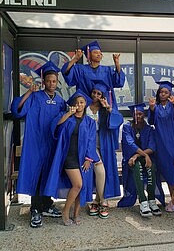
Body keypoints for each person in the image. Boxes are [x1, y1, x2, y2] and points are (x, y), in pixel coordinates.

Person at [11, 61, 66, 228]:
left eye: (54, 81)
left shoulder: (60, 101)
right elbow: (17, 110)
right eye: (48, 81)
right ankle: (35, 208)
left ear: (57, 82)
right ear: (43, 82)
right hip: (35, 143)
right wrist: (29, 92)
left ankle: (47, 204)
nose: (51, 84)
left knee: (48, 173)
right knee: (36, 173)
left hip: (51, 143)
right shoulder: (35, 97)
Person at [44, 90, 99, 226]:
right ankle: (65, 211)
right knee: (78, 184)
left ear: (85, 104)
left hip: (83, 158)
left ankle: (76, 214)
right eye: (77, 103)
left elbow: (92, 141)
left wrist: (88, 158)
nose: (79, 105)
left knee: (82, 186)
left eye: (81, 102)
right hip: (69, 157)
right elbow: (55, 126)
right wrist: (69, 112)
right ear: (73, 105)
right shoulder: (67, 119)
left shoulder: (90, 122)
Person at [118, 103, 164, 217]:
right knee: (136, 166)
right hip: (130, 158)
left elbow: (152, 147)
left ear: (144, 115)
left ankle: (152, 200)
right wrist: (142, 155)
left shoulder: (148, 128)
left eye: (140, 114)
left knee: (151, 167)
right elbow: (130, 144)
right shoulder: (127, 127)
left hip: (140, 157)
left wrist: (139, 155)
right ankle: (143, 202)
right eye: (135, 114)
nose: (138, 116)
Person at [86, 80, 123, 219]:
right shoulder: (86, 107)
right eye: (94, 92)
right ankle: (103, 201)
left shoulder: (104, 109)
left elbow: (118, 120)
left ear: (102, 96)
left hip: (104, 143)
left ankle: (96, 201)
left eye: (99, 94)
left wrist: (108, 108)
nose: (95, 95)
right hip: (89, 144)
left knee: (104, 171)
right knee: (100, 171)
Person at [61, 40, 125, 111]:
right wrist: (75, 59)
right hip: (85, 108)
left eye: (100, 53)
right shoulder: (80, 69)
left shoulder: (108, 70)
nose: (99, 54)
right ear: (88, 55)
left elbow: (119, 82)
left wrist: (117, 63)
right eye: (95, 52)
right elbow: (66, 72)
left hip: (104, 106)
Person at [148, 81, 174, 212]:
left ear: (170, 94)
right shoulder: (156, 107)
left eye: (166, 92)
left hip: (173, 142)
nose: (163, 94)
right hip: (161, 143)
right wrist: (151, 109)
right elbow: (150, 121)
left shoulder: (173, 106)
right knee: (166, 172)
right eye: (161, 92)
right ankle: (172, 199)